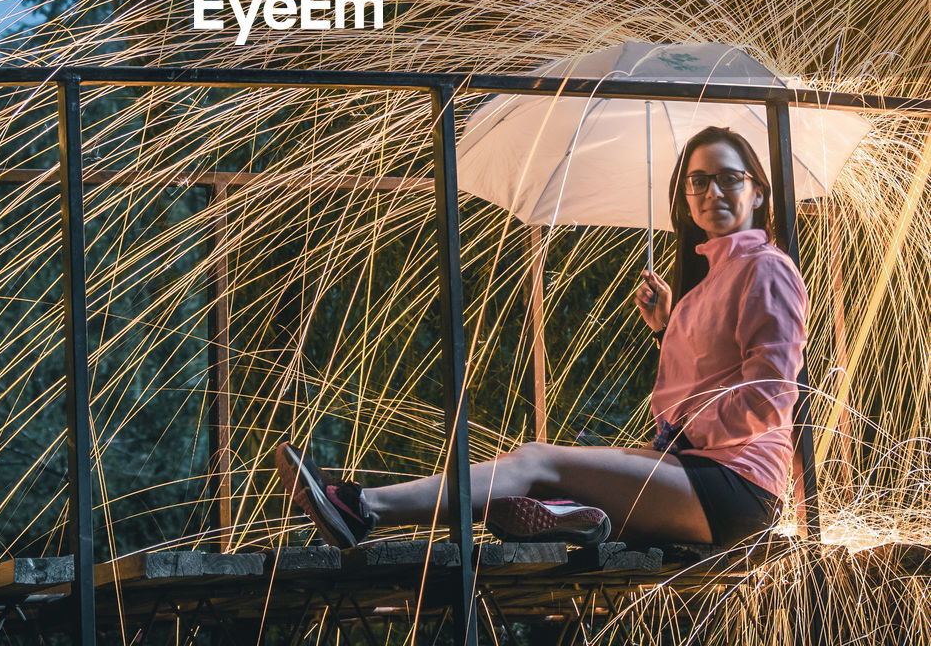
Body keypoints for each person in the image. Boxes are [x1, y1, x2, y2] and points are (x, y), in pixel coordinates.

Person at [276, 125, 809, 550]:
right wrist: (669, 328)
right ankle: (573, 519)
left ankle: (363, 507)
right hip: (697, 469)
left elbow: (772, 396)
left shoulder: (767, 268)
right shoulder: (704, 283)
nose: (712, 191)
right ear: (686, 196)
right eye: (697, 181)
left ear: (757, 191)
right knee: (544, 474)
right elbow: (711, 377)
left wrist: (689, 432)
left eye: (729, 179)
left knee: (537, 462)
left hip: (738, 485)